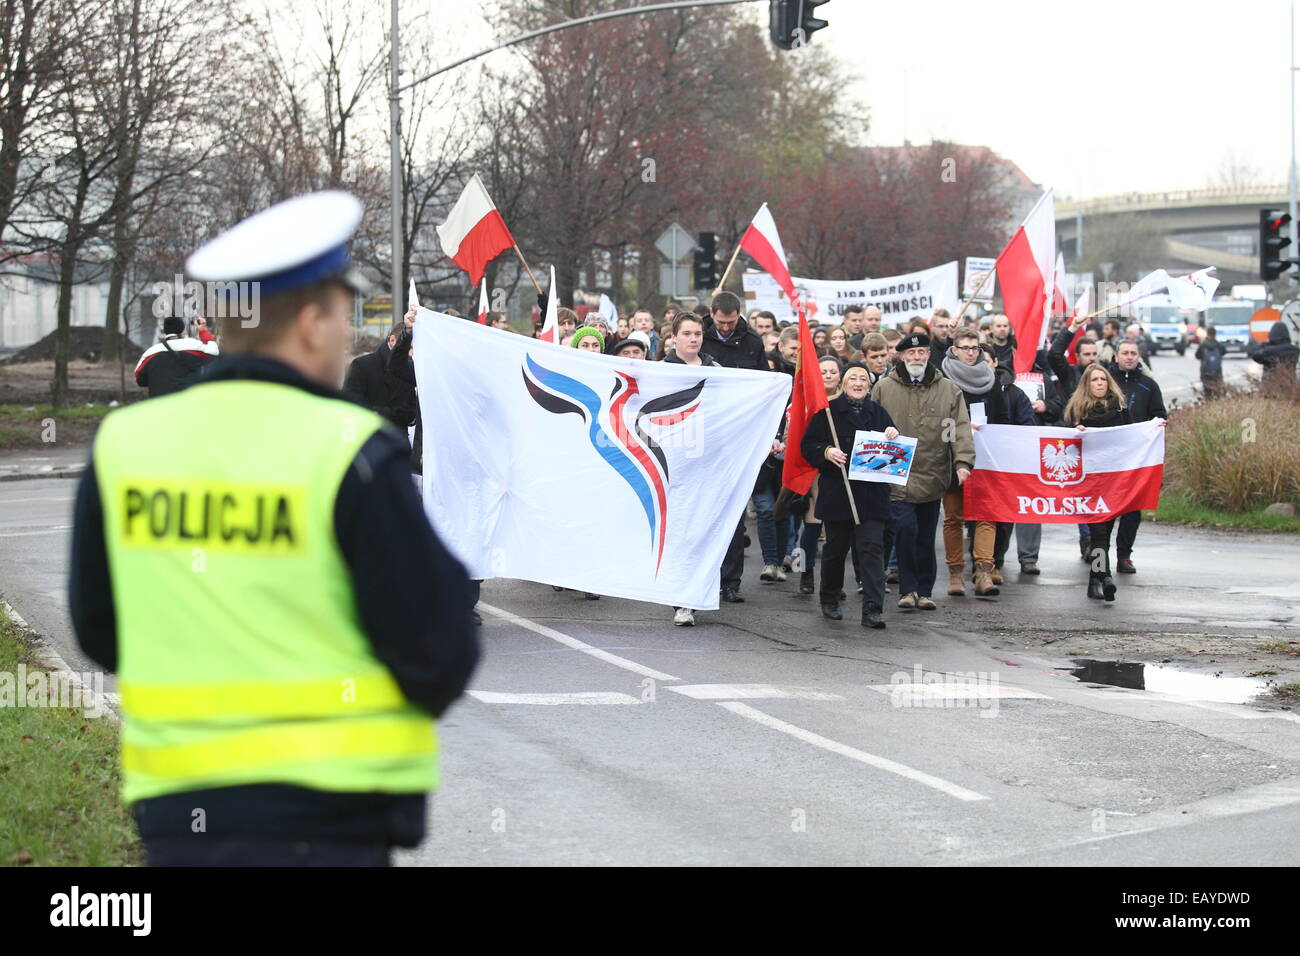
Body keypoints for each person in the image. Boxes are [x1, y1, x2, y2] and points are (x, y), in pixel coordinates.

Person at [69, 191, 479, 867]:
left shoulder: (125, 446)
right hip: (332, 822)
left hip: (178, 816)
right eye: (344, 317)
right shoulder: (354, 451)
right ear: (313, 323)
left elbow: (101, 630)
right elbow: (440, 649)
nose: (349, 337)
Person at [871, 332, 975, 610]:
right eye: (911, 353)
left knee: (926, 535)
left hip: (933, 472)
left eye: (922, 353)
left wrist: (962, 462)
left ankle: (925, 590)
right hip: (897, 473)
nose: (916, 357)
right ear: (902, 356)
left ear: (929, 355)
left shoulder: (949, 390)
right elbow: (871, 425)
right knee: (905, 529)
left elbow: (959, 428)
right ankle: (907, 589)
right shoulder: (884, 388)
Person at [802, 362, 899, 629]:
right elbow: (807, 446)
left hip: (872, 497)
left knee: (871, 551)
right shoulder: (828, 413)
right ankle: (829, 599)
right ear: (844, 384)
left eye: (863, 379)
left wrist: (893, 435)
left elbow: (894, 454)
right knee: (835, 550)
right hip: (839, 494)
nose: (858, 383)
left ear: (870, 385)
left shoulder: (879, 413)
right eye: (853, 378)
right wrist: (826, 452)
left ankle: (872, 608)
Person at [939, 329, 1031, 596]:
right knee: (954, 516)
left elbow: (1002, 418)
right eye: (965, 347)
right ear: (954, 350)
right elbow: (937, 419)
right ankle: (956, 573)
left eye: (974, 348)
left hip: (986, 456)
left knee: (987, 514)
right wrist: (962, 428)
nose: (970, 352)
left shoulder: (991, 381)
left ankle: (984, 572)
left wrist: (990, 432)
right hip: (953, 456)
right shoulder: (943, 380)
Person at [664, 313, 720, 625]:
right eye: (687, 333)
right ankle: (680, 599)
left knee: (703, 529)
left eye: (698, 333)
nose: (693, 338)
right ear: (674, 337)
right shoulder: (661, 371)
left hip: (707, 461)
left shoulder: (715, 369)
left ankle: (698, 592)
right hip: (674, 462)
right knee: (680, 531)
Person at [1060, 364, 1133, 602]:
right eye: (1095, 380)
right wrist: (1075, 432)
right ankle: (1106, 576)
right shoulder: (1076, 411)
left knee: (1104, 533)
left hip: (1112, 482)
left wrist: (1154, 428)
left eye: (1103, 379)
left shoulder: (1121, 410)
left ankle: (1095, 580)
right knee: (1099, 532)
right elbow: (1063, 445)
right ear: (1087, 384)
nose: (1100, 383)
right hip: (1087, 482)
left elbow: (1133, 438)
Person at [1107, 339, 1166, 574]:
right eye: (1124, 353)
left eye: (1133, 353)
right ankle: (1097, 550)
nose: (1129, 357)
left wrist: (1158, 424)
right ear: (1116, 356)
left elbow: (1159, 414)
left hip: (1137, 458)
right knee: (1105, 508)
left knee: (1132, 508)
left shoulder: (1148, 386)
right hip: (1109, 457)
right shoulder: (1105, 382)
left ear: (1138, 356)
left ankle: (1124, 556)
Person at [1048, 313, 1103, 563]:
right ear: (1078, 357)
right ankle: (1087, 538)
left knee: (1098, 493)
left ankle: (1098, 539)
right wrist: (1071, 329)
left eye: (1095, 355)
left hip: (1099, 445)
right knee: (1080, 494)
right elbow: (1053, 355)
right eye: (1087, 355)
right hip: (1073, 444)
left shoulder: (1104, 377)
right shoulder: (1070, 375)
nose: (1092, 359)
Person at [343, 322, 418, 434]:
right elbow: (350, 406)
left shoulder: (411, 368)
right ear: (392, 340)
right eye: (410, 347)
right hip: (369, 439)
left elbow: (412, 410)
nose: (411, 353)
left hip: (399, 442)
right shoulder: (362, 365)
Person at [133, 316, 219, 397]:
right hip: (188, 404)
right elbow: (214, 353)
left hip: (160, 407)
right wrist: (202, 330)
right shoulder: (193, 345)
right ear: (182, 332)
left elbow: (139, 379)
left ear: (165, 331)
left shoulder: (151, 352)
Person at [700, 290, 766, 370]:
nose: (726, 328)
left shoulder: (754, 343)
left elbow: (764, 377)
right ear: (711, 313)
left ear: (738, 315)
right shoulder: (699, 340)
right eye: (721, 322)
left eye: (731, 322)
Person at [1248, 320, 1300, 392]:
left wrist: (1263, 345)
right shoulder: (1295, 350)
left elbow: (1255, 356)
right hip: (1290, 386)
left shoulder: (1268, 351)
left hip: (1270, 386)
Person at [1195, 325, 1227, 398]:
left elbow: (1197, 355)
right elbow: (1224, 352)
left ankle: (1208, 402)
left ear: (1207, 333)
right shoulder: (1218, 345)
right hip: (1217, 372)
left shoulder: (1203, 345)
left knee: (1207, 392)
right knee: (1217, 391)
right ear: (1215, 334)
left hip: (1205, 372)